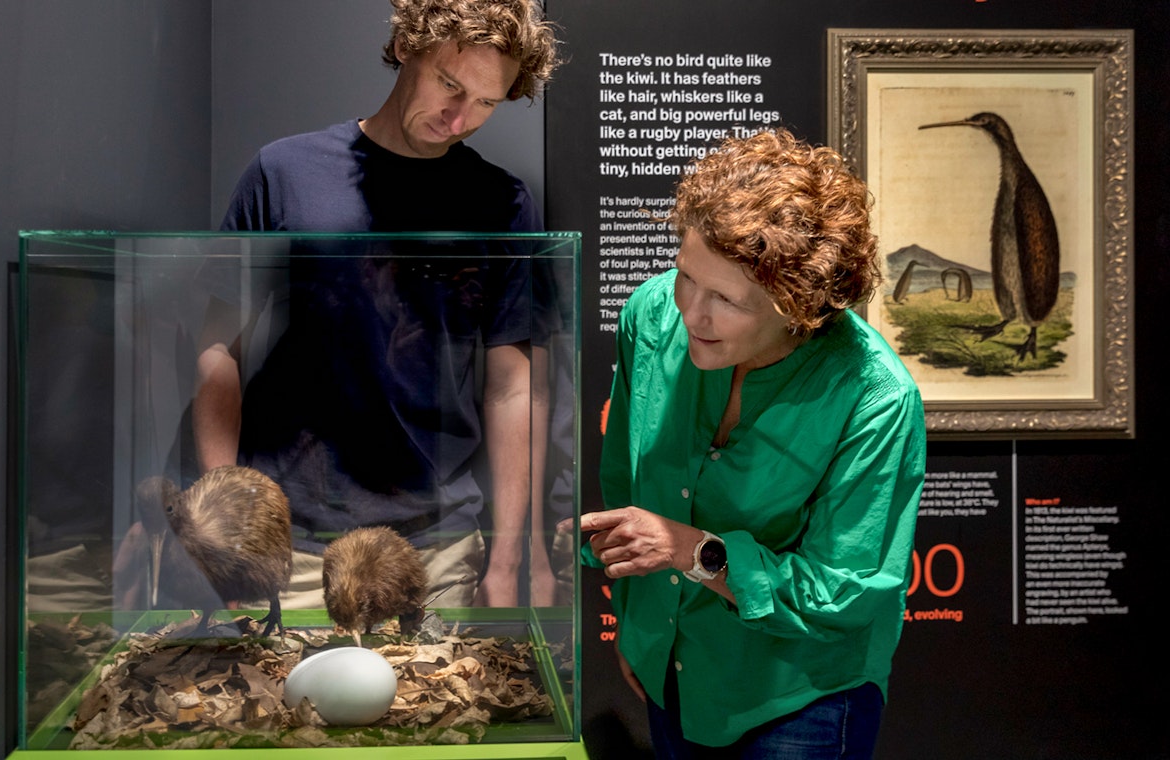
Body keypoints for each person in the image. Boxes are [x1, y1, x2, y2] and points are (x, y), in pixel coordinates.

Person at [193, 0, 563, 612]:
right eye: (449, 84)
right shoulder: (285, 173)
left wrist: (510, 560)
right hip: (295, 542)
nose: (459, 117)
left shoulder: (501, 204)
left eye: (485, 103)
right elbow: (216, 347)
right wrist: (225, 529)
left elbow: (512, 388)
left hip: (439, 545)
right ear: (409, 47)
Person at [578, 128, 926, 758]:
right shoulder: (650, 316)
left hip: (797, 695)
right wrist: (643, 630)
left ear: (800, 307)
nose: (689, 313)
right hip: (669, 666)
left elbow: (847, 592)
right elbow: (625, 488)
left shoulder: (874, 397)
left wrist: (694, 551)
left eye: (727, 300)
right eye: (686, 276)